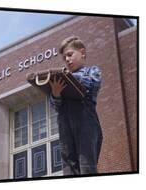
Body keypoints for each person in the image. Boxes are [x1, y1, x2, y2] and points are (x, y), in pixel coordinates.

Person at [49, 36, 103, 175]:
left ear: (82, 52)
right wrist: (56, 93)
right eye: (64, 58)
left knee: (87, 165)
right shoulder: (64, 76)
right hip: (65, 125)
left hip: (86, 124)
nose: (67, 60)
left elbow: (91, 83)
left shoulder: (92, 71)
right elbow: (55, 106)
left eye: (70, 54)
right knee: (68, 166)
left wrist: (66, 77)